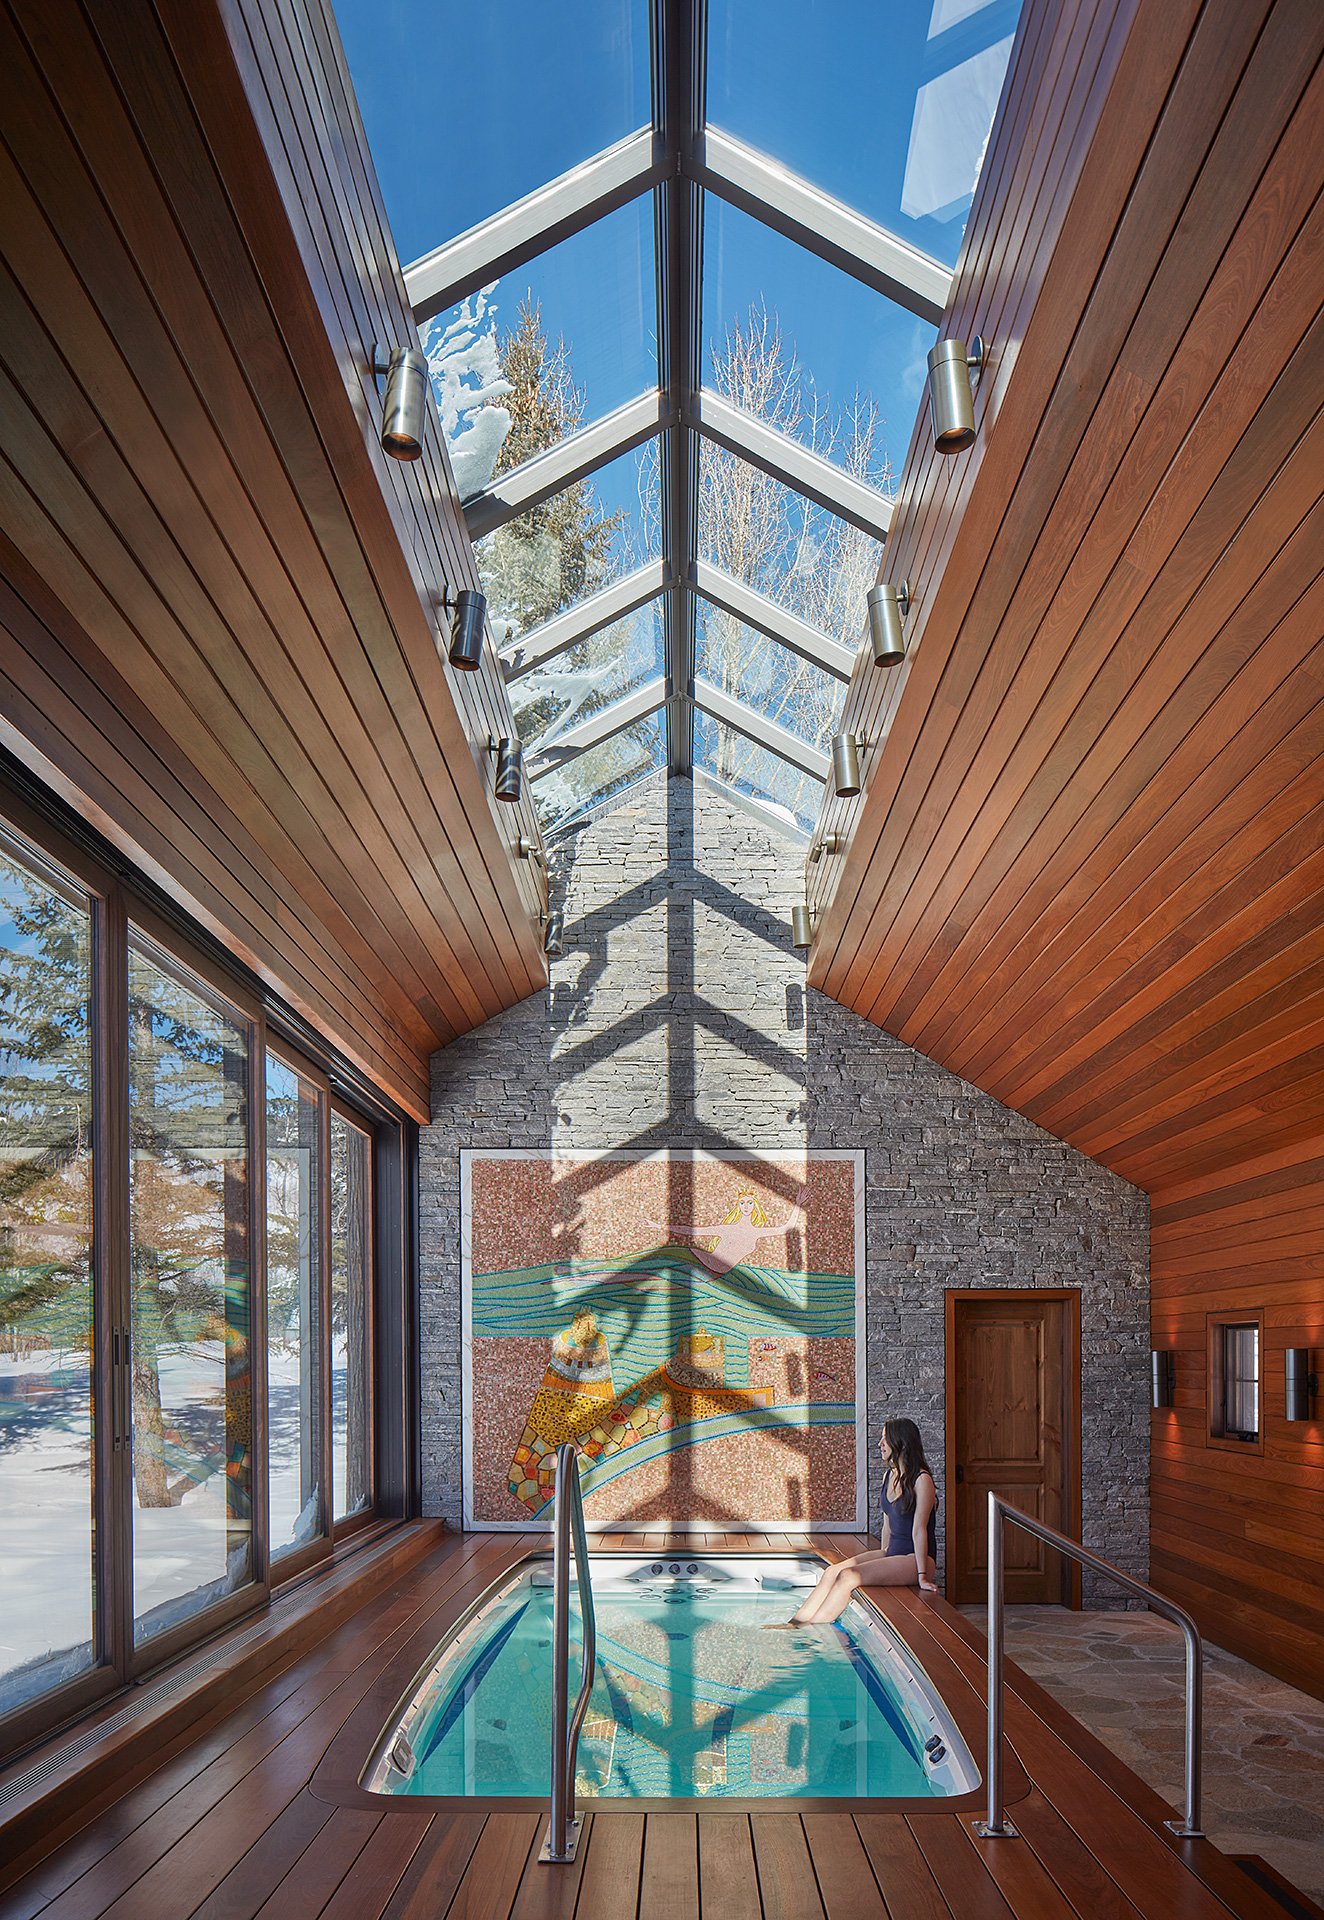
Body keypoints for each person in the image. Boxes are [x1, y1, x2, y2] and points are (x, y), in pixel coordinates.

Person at [773, 1418, 939, 1627]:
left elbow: (919, 1530)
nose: (880, 1444)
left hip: (916, 1559)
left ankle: (811, 1630)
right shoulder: (889, 1476)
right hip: (893, 1552)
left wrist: (923, 1577)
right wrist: (881, 1559)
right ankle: (795, 1623)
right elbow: (887, 1525)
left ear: (901, 1443)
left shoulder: (922, 1480)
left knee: (849, 1576)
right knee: (832, 1572)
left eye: (885, 1439)